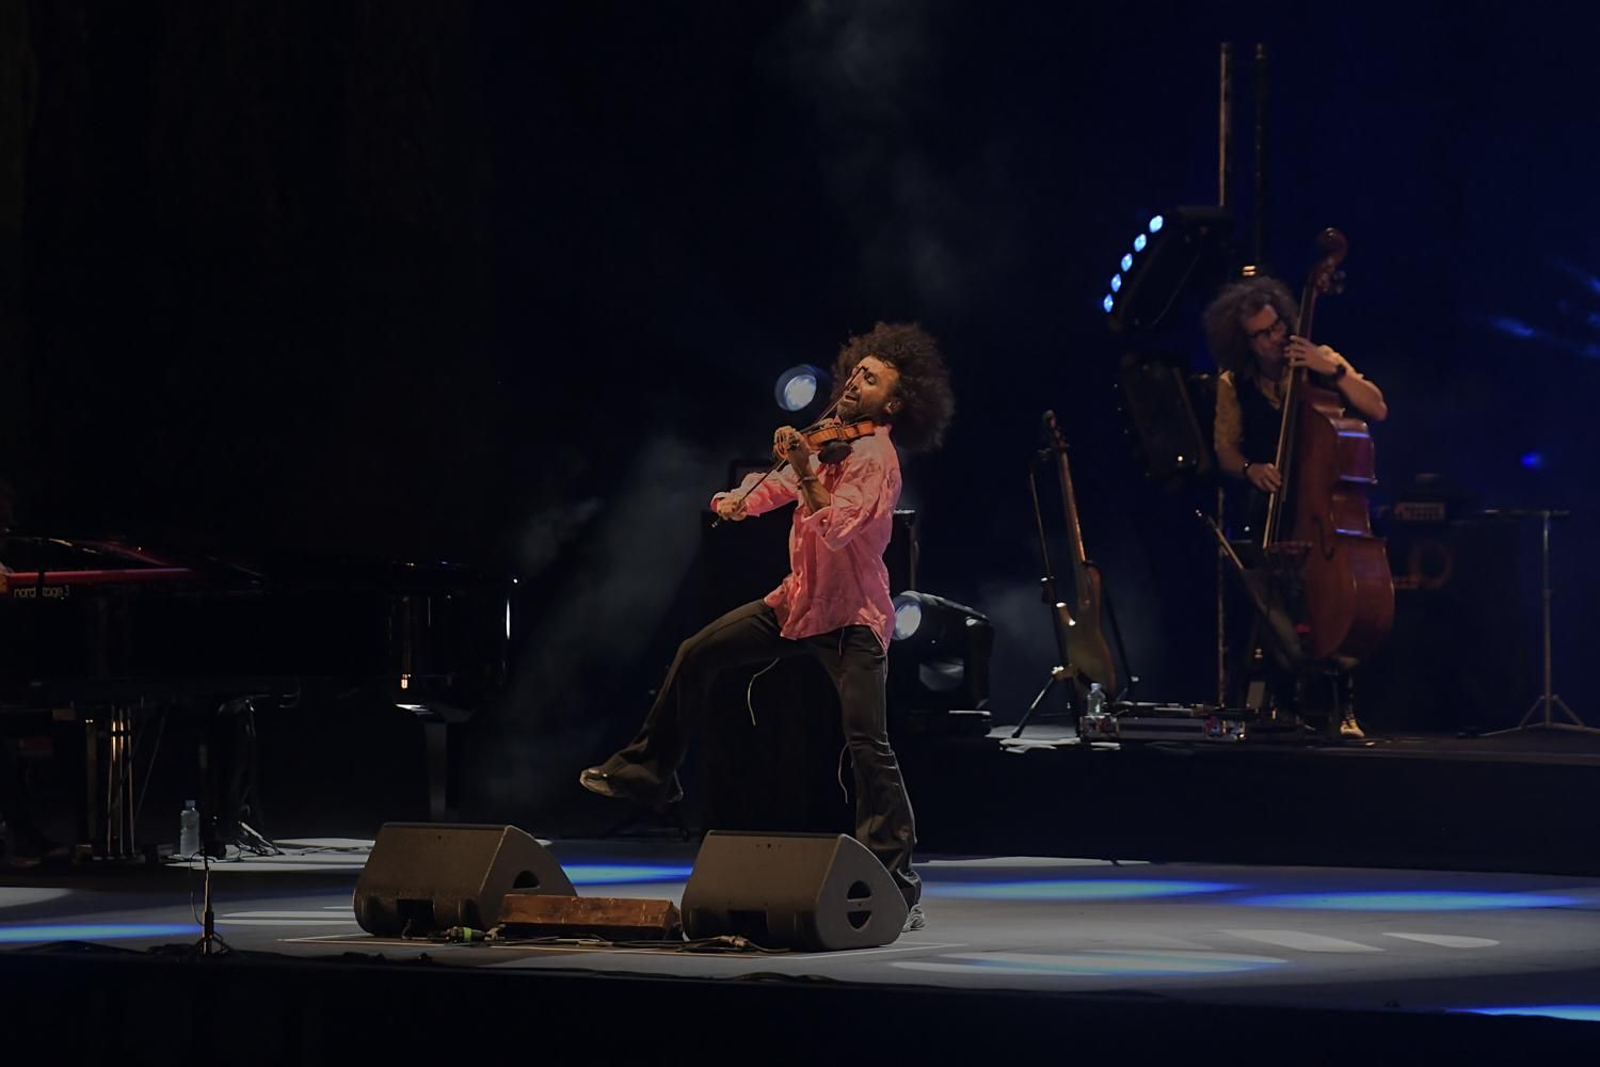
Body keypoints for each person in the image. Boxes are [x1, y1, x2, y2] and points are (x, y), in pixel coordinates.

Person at [579, 322, 954, 929]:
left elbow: (836, 529)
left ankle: (897, 884)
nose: (855, 381)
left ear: (894, 404)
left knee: (867, 743)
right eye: (857, 371)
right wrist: (739, 501)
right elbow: (777, 484)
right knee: (697, 651)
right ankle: (648, 771)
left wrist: (803, 467)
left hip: (852, 620)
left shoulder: (877, 458)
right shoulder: (833, 441)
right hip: (798, 604)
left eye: (872, 379)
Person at [1204, 277, 1389, 738]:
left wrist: (1335, 371)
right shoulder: (1232, 382)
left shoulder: (1319, 359)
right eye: (1261, 335)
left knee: (1334, 599)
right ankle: (1289, 702)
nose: (1274, 340)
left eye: (1277, 327)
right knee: (1269, 597)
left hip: (1323, 512)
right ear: (1244, 341)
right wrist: (1251, 469)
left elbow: (1377, 408)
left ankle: (1341, 702)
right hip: (1271, 509)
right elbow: (1225, 451)